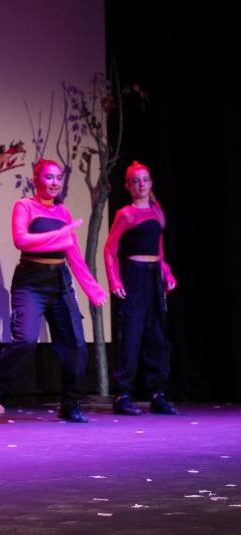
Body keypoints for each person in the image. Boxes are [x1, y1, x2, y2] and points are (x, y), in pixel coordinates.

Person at [0, 159, 108, 422]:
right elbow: (21, 240)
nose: (54, 183)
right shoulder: (25, 206)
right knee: (25, 340)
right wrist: (61, 234)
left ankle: (70, 404)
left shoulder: (63, 213)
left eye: (58, 178)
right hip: (30, 281)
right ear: (36, 180)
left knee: (76, 346)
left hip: (60, 282)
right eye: (49, 177)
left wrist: (92, 288)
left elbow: (73, 255)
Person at [104, 161, 178, 415]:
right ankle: (122, 394)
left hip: (154, 276)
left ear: (151, 183)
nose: (141, 184)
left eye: (145, 179)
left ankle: (158, 393)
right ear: (128, 186)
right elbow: (110, 248)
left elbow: (158, 250)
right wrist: (114, 280)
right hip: (134, 276)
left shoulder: (157, 212)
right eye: (135, 181)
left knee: (157, 336)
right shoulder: (126, 213)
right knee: (132, 335)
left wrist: (166, 271)